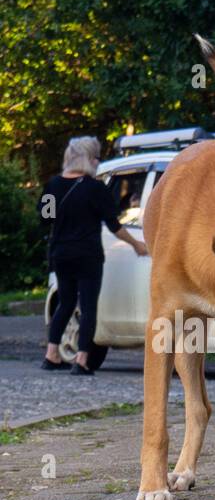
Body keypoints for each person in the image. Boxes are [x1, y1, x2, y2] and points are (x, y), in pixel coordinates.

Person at [41, 135, 147, 374]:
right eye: (97, 157)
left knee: (66, 303)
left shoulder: (53, 185)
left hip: (61, 254)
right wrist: (136, 245)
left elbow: (45, 218)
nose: (99, 162)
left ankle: (51, 353)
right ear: (88, 159)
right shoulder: (95, 189)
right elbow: (114, 226)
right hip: (87, 255)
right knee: (88, 307)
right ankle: (81, 359)